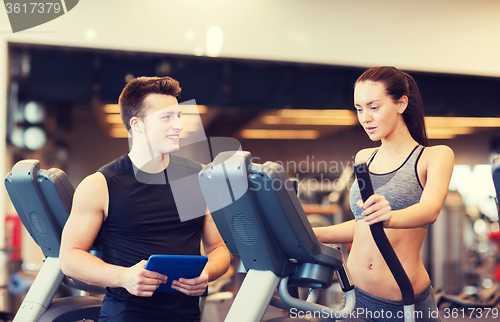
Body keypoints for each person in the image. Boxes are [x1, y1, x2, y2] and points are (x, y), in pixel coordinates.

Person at [60, 76, 231, 322]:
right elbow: (70, 257)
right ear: (137, 124)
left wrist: (207, 272)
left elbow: (219, 249)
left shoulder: (199, 178)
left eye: (178, 116)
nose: (179, 126)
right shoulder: (101, 184)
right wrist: (124, 277)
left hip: (187, 317)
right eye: (166, 117)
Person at [314, 66, 454, 321]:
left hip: (404, 302)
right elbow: (363, 225)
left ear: (401, 104)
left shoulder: (434, 156)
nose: (365, 117)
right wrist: (310, 234)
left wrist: (389, 217)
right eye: (359, 109)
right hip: (355, 296)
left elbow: (430, 210)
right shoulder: (363, 157)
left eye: (374, 107)